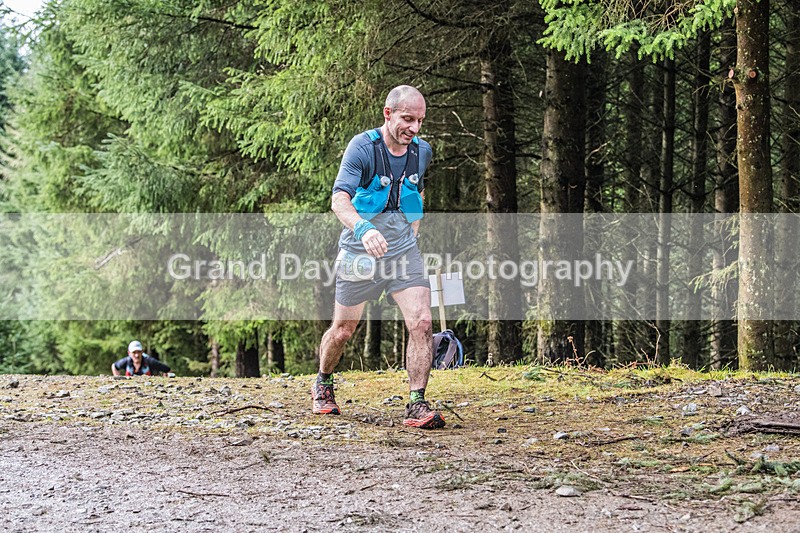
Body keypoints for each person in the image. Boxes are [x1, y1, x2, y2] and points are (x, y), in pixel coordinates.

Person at [311, 85, 444, 429]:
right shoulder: (363, 148)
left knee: (422, 322)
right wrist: (364, 229)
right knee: (343, 330)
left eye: (420, 121)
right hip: (360, 250)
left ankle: (416, 402)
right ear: (388, 113)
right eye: (407, 119)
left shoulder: (422, 151)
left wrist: (414, 230)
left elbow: (417, 191)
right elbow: (339, 199)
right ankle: (323, 381)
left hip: (403, 252)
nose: (414, 128)